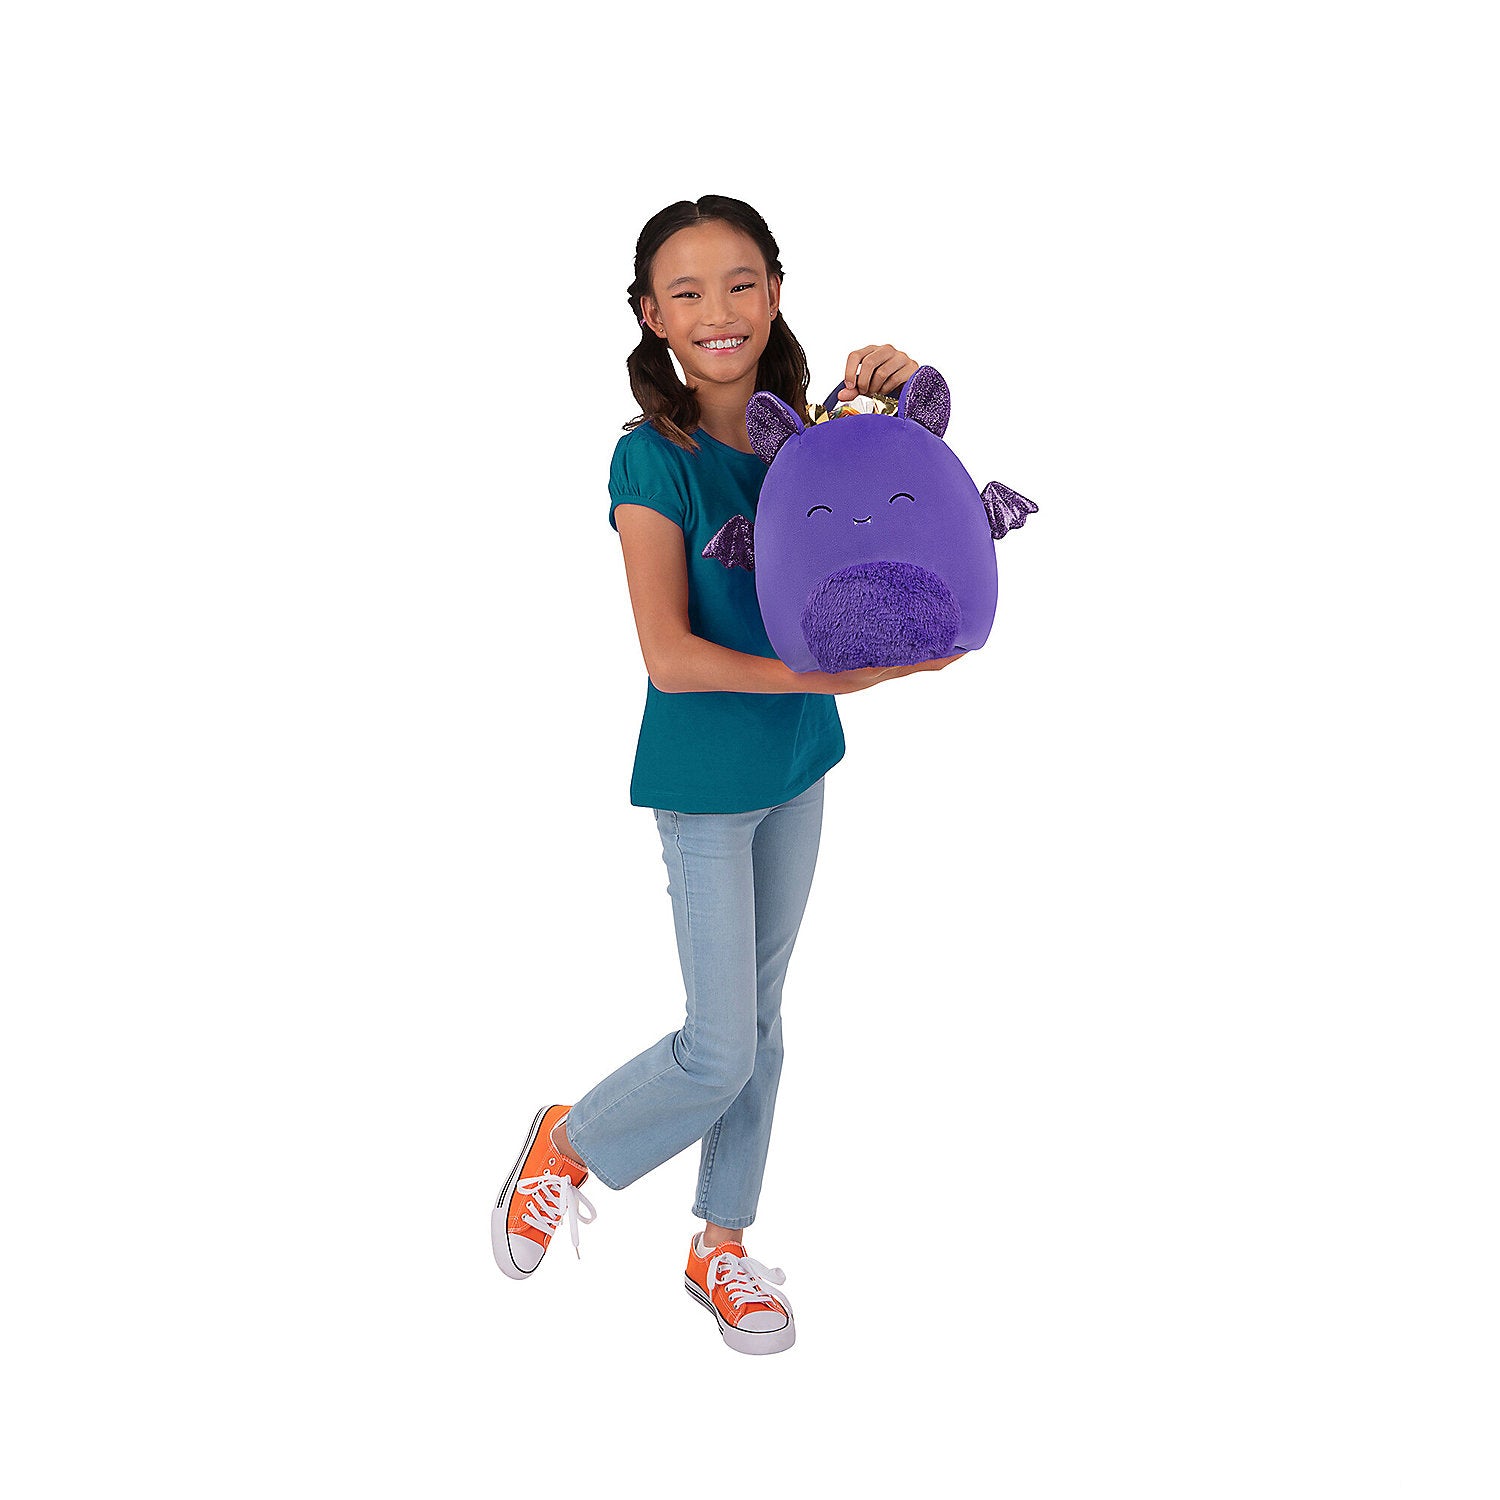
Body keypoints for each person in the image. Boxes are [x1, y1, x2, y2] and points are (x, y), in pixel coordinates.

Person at [491, 195, 963, 1355]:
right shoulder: (649, 459)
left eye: (741, 282)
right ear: (651, 315)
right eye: (687, 291)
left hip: (798, 762)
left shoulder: (807, 434)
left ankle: (721, 1243)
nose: (719, 310)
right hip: (705, 783)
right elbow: (669, 654)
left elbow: (905, 514)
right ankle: (568, 1142)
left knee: (758, 1021)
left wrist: (903, 388)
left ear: (777, 293)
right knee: (718, 1049)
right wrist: (832, 677)